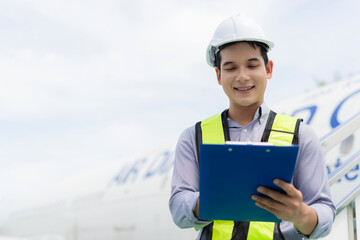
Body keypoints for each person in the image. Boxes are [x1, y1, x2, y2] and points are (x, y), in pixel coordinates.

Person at [168, 14, 335, 240]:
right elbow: (179, 209)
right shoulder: (193, 137)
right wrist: (213, 199)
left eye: (252, 65)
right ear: (218, 75)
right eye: (231, 68)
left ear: (268, 69)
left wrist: (301, 214)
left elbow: (324, 211)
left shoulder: (301, 135)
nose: (242, 76)